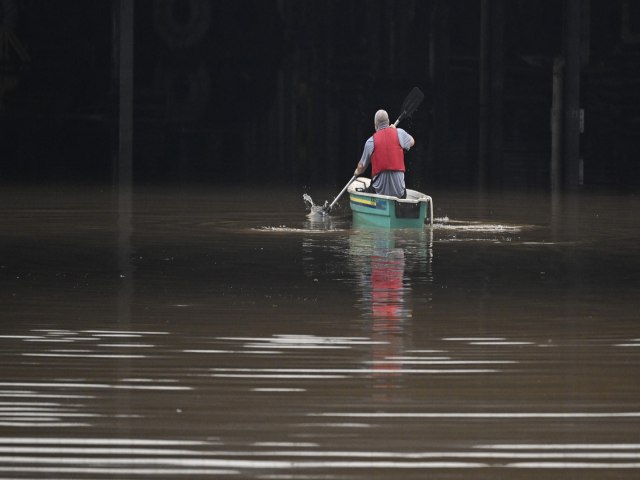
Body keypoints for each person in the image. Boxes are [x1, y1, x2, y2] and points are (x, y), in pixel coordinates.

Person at [354, 109, 415, 198]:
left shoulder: (371, 142)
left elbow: (361, 167)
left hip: (379, 193)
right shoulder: (400, 133)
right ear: (388, 122)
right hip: (400, 194)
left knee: (369, 189)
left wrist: (356, 172)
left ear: (375, 125)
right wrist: (395, 130)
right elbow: (412, 142)